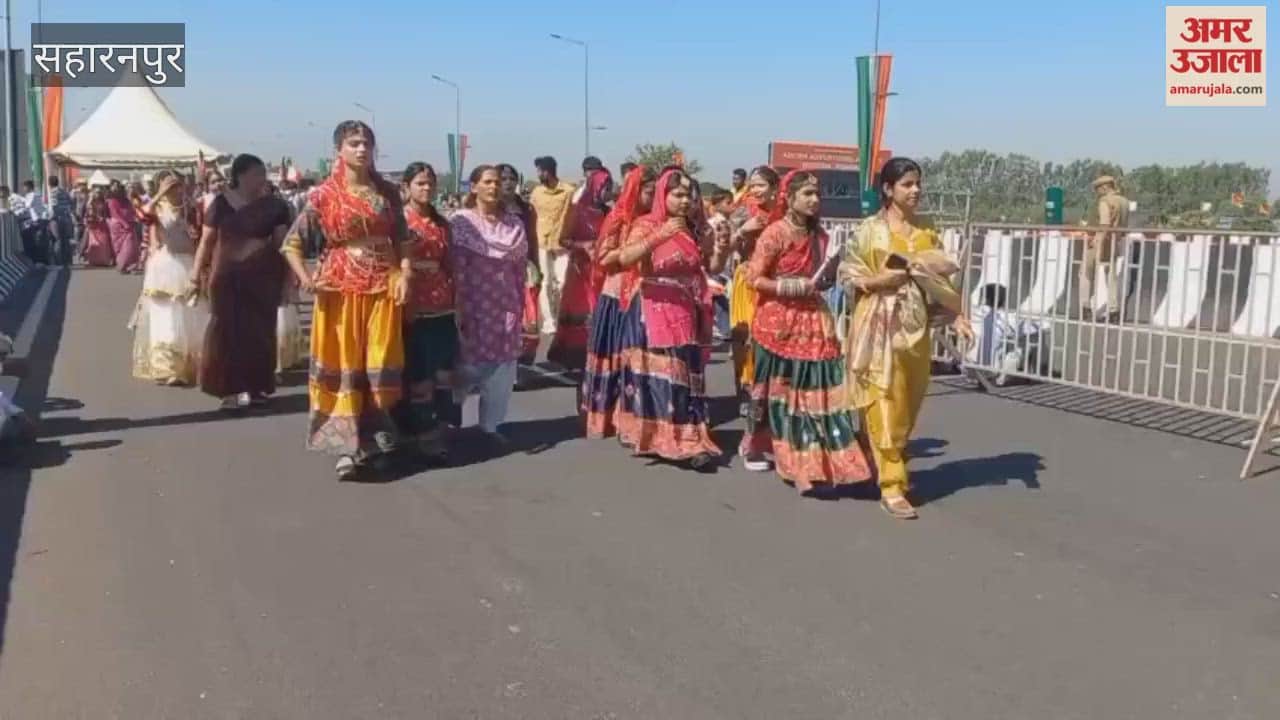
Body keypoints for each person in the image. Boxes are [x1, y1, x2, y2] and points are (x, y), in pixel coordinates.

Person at [840, 157, 974, 519]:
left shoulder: (927, 229)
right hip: (877, 326)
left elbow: (941, 280)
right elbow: (848, 275)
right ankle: (892, 484)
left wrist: (956, 314)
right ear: (888, 189)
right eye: (907, 184)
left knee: (907, 405)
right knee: (883, 400)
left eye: (918, 184)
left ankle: (882, 458)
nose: (915, 190)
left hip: (915, 330)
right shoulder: (869, 230)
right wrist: (877, 281)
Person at [282, 121, 412, 480]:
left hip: (382, 288)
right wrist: (308, 279)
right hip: (340, 289)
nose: (361, 149)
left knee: (378, 364)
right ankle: (345, 447)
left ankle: (375, 436)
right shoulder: (324, 195)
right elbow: (292, 244)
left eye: (367, 143)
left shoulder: (387, 192)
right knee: (344, 365)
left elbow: (403, 240)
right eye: (353, 143)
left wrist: (404, 274)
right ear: (338, 150)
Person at [740, 170, 870, 491]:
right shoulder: (775, 233)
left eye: (817, 194)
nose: (814, 200)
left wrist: (826, 278)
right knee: (774, 392)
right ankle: (759, 446)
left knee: (816, 390)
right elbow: (753, 278)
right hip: (776, 323)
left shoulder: (819, 236)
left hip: (814, 321)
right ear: (789, 198)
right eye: (807, 194)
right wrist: (788, 287)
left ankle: (812, 458)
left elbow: (819, 277)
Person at [612, 167, 721, 470]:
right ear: (663, 195)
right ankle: (665, 439)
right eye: (678, 195)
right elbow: (625, 258)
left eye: (689, 195)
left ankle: (688, 436)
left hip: (685, 309)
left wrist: (720, 248)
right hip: (653, 308)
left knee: (686, 377)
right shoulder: (646, 224)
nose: (685, 201)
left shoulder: (692, 228)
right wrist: (659, 235)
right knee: (663, 377)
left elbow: (708, 266)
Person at [193, 154, 293, 411]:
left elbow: (284, 245)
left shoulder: (275, 207)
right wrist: (195, 274)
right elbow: (206, 241)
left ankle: (257, 387)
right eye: (256, 174)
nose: (262, 179)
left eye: (263, 174)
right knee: (226, 331)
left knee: (260, 331)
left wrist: (288, 281)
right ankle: (228, 390)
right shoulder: (220, 204)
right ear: (239, 176)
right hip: (226, 276)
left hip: (262, 277)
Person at [450, 165, 528, 450]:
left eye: (497, 182)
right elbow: (456, 268)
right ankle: (448, 421)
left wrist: (523, 304)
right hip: (473, 303)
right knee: (466, 365)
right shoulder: (462, 223)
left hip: (506, 303)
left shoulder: (513, 224)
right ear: (474, 187)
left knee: (504, 367)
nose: (494, 187)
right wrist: (458, 305)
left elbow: (519, 268)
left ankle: (490, 425)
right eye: (487, 182)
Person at [582, 165, 656, 437]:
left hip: (644, 297)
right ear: (636, 191)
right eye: (649, 192)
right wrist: (633, 251)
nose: (653, 198)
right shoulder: (619, 218)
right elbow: (603, 258)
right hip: (618, 296)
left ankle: (634, 419)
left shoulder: (658, 219)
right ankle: (608, 417)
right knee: (615, 358)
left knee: (637, 360)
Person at [400, 161, 460, 462]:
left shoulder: (442, 224)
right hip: (411, 305)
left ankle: (441, 426)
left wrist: (458, 302)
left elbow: (450, 264)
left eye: (430, 183)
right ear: (406, 187)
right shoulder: (398, 221)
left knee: (443, 373)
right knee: (418, 374)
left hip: (442, 305)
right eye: (420, 183)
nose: (426, 188)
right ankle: (422, 434)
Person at [131, 170, 207, 386]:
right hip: (165, 266)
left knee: (190, 315)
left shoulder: (190, 207)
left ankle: (192, 365)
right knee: (167, 316)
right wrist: (159, 194)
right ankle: (168, 368)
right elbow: (142, 216)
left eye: (176, 184)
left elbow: (202, 229)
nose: (173, 188)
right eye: (168, 185)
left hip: (188, 264)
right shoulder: (157, 208)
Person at [728, 166, 780, 433]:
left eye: (761, 185)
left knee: (771, 341)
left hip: (774, 285)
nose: (755, 190)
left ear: (775, 188)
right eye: (753, 185)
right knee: (744, 340)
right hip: (747, 281)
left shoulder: (784, 216)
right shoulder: (743, 213)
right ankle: (745, 393)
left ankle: (771, 395)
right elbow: (725, 245)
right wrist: (742, 231)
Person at [547, 164, 612, 369]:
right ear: (594, 187)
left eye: (610, 188)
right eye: (605, 187)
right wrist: (583, 245)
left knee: (602, 312)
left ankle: (600, 354)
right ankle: (577, 356)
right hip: (581, 273)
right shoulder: (577, 210)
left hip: (603, 271)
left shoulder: (609, 213)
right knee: (584, 312)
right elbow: (563, 239)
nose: (609, 192)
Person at [498, 163, 542, 366]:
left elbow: (532, 238)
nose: (508, 183)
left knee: (526, 313)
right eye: (503, 179)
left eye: (512, 179)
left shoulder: (526, 208)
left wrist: (537, 265)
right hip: (497, 272)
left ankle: (522, 356)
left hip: (524, 269)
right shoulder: (490, 208)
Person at [529, 156, 576, 334]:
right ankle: (549, 321)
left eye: (540, 171)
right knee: (546, 282)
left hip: (562, 242)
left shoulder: (568, 191)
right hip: (542, 242)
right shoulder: (536, 193)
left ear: (547, 171)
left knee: (562, 282)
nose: (538, 175)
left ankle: (559, 314)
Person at [1081, 175, 1130, 322]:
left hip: (1099, 241)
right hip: (1115, 241)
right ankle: (1114, 311)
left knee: (1085, 273)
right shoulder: (1124, 201)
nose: (1097, 192)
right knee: (1111, 276)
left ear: (1104, 187)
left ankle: (1085, 308)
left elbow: (1104, 224)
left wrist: (1098, 243)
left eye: (1097, 189)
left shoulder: (1105, 201)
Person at [107, 182, 142, 273]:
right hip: (118, 226)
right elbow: (115, 214)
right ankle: (122, 265)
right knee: (119, 247)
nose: (116, 189)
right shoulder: (112, 201)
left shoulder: (127, 200)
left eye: (118, 187)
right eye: (114, 187)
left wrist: (135, 218)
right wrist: (124, 223)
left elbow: (132, 211)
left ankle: (130, 265)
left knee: (130, 246)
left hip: (130, 225)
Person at [80, 187, 114, 266]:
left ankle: (104, 260)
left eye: (99, 192)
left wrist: (104, 219)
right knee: (93, 242)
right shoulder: (90, 202)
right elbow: (87, 214)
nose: (98, 194)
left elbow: (107, 214)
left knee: (104, 242)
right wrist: (88, 220)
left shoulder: (104, 203)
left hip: (102, 225)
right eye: (96, 192)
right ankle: (93, 260)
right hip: (93, 225)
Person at [47, 177, 75, 266]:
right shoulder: (64, 192)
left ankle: (58, 262)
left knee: (58, 239)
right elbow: (72, 203)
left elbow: (53, 206)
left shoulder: (52, 193)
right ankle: (68, 260)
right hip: (66, 218)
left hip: (56, 219)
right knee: (66, 240)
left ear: (49, 183)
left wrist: (49, 217)